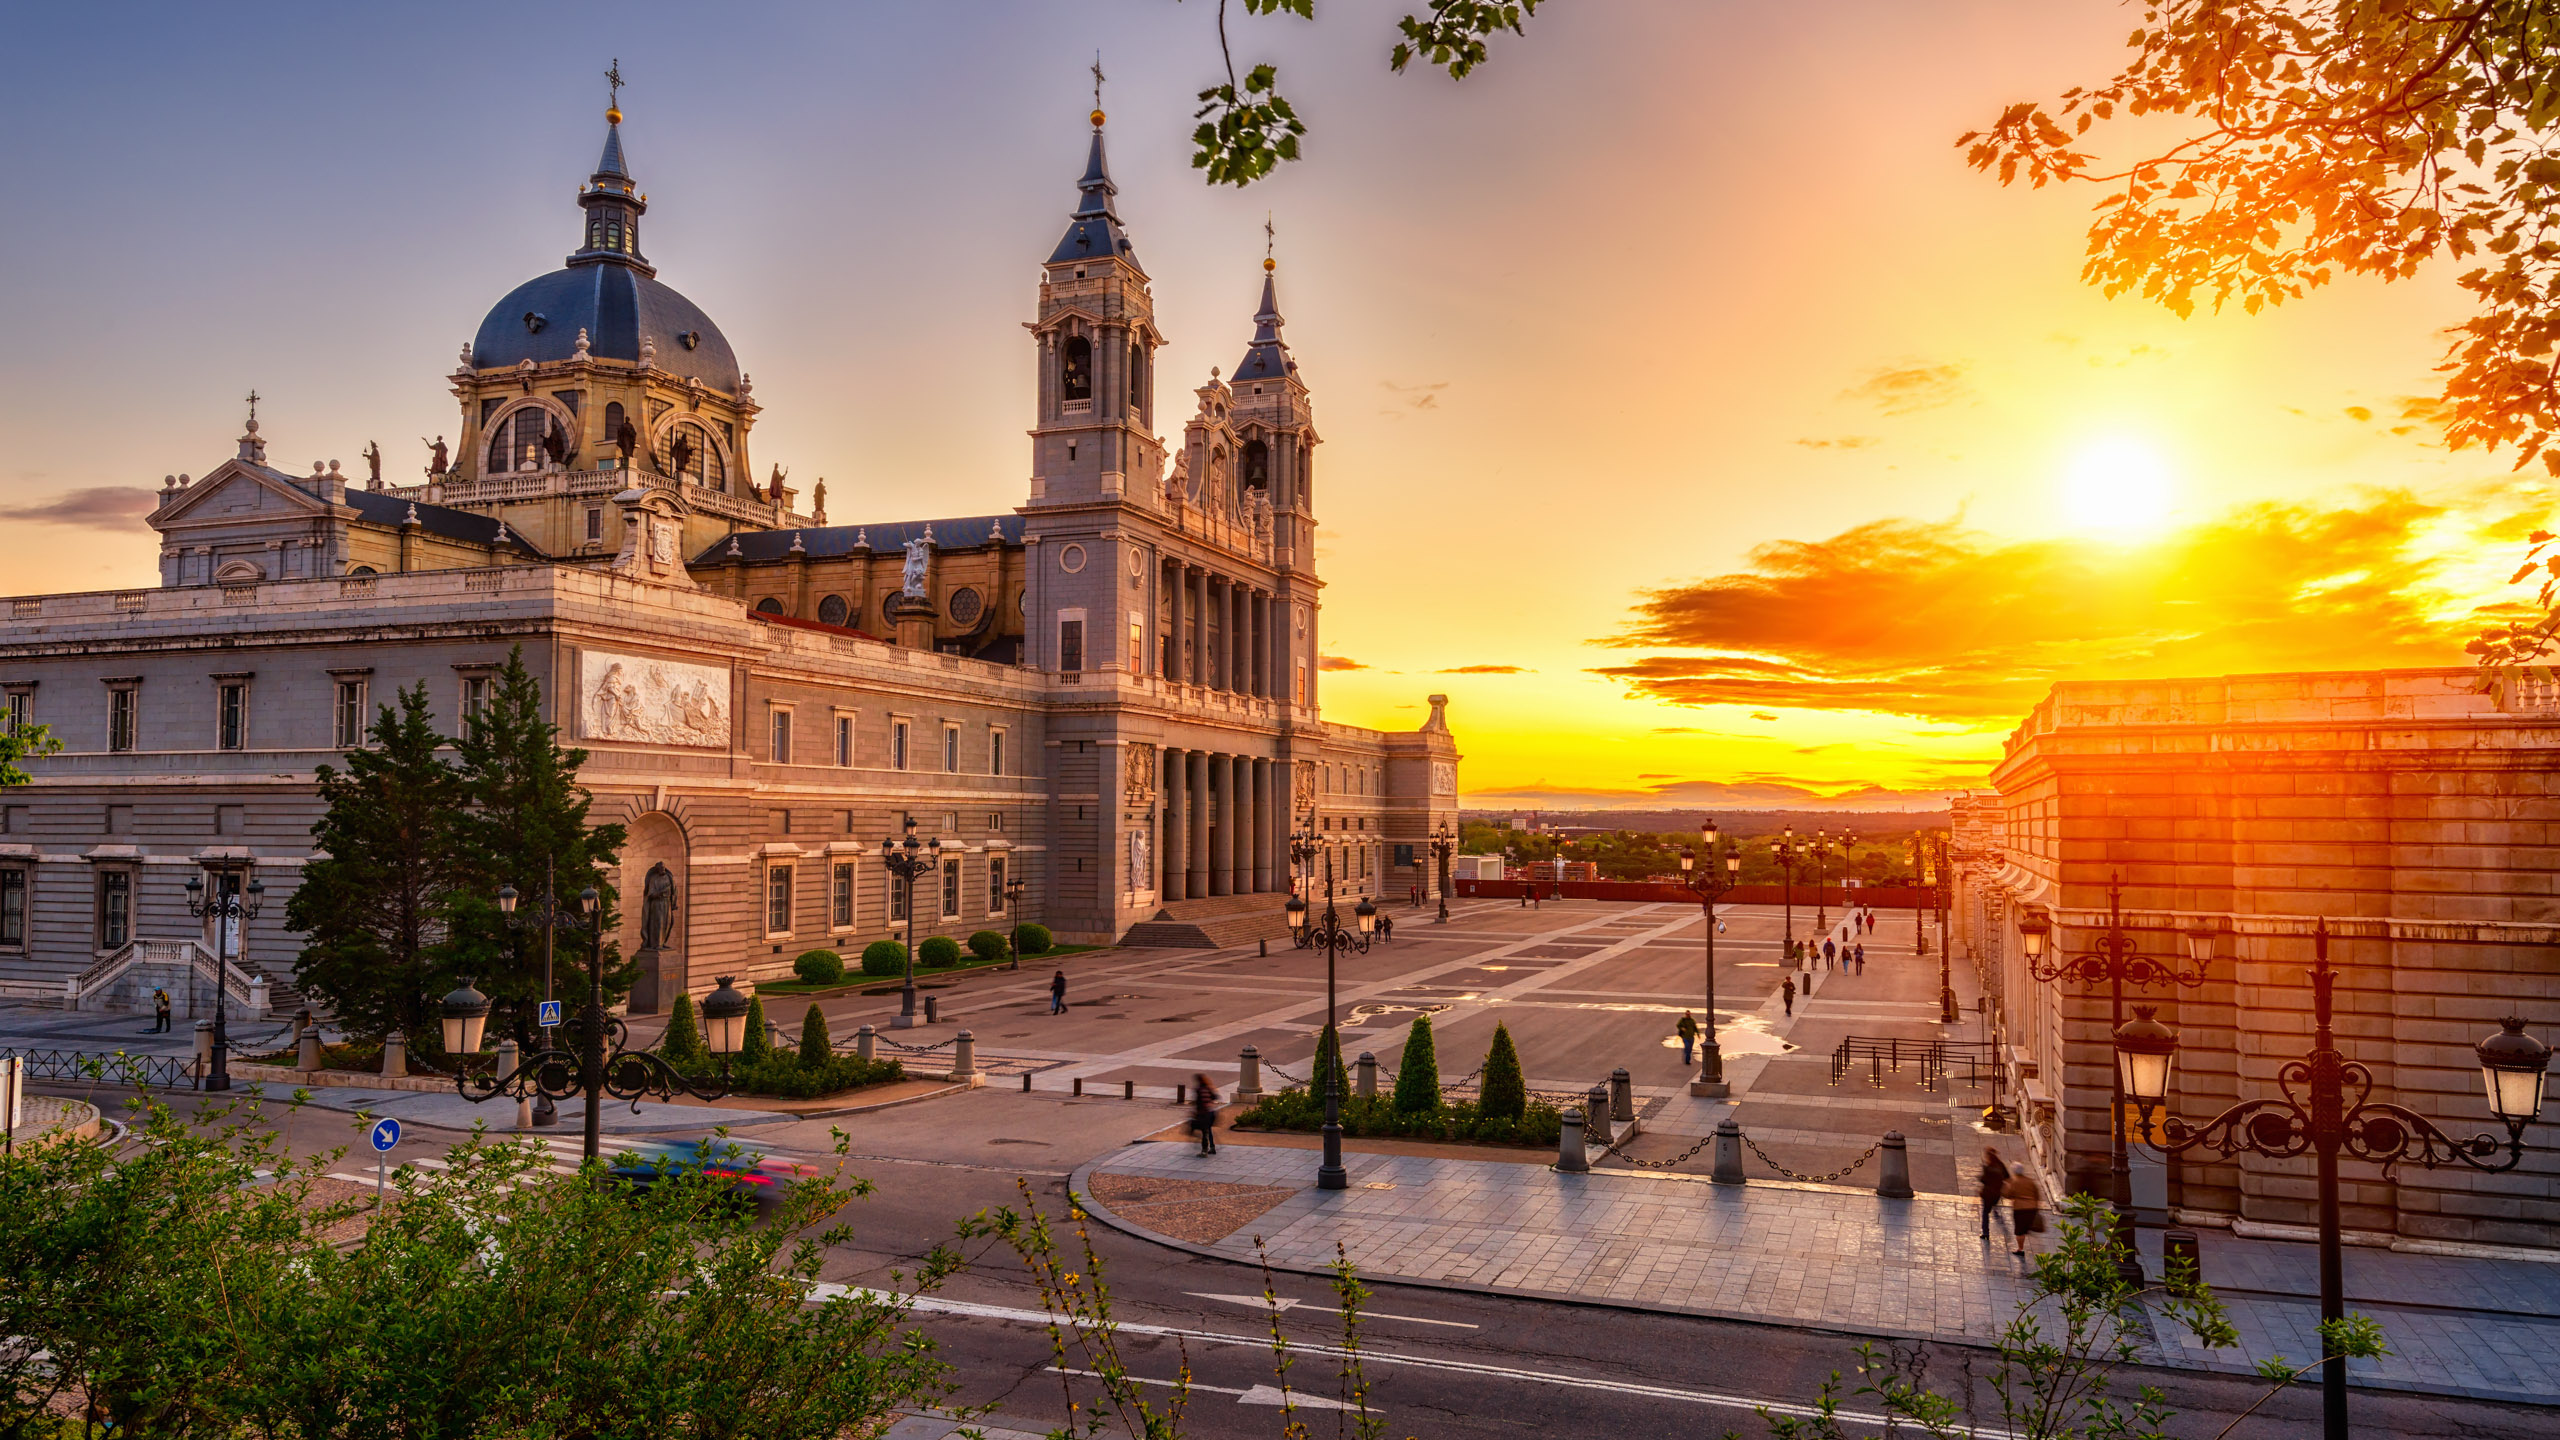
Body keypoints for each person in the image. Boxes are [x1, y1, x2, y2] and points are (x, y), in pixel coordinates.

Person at [2004, 1168, 2044, 1257]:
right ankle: (2029, 1232)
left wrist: (2006, 1185)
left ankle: (2020, 1249)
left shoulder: (2014, 1182)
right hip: (2032, 1207)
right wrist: (2036, 1206)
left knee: (2019, 1231)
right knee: (2027, 1225)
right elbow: (2037, 1195)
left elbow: (2008, 1195)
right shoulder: (2030, 1181)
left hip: (2019, 1208)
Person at [1978, 1147, 2011, 1241]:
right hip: (1997, 1194)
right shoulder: (2001, 1165)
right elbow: (2007, 1176)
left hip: (1987, 1194)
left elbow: (1983, 1180)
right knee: (1994, 1207)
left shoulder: (1988, 1168)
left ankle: (1985, 1233)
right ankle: (1998, 1216)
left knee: (1985, 1213)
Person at [1189, 1074, 1220, 1156]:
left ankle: (1204, 1151)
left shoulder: (1199, 1089)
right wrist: (1209, 1101)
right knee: (1208, 1130)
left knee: (1204, 1131)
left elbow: (1198, 1102)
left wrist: (1195, 1112)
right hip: (1211, 1112)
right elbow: (1215, 1097)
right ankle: (1212, 1148)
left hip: (1204, 1113)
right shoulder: (1209, 1088)